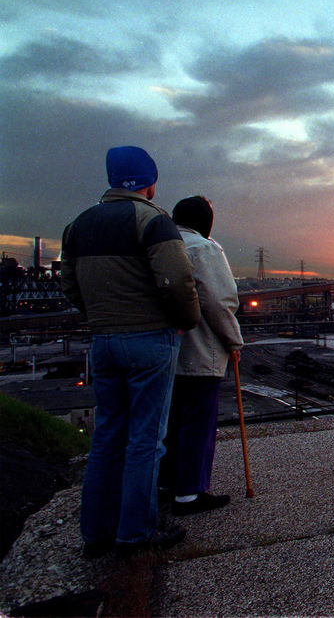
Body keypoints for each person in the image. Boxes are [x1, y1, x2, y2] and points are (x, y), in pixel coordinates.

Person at [61, 145, 200, 557]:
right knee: (146, 439)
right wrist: (186, 320)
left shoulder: (78, 225)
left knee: (106, 436)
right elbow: (177, 280)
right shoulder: (153, 221)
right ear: (149, 183)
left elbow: (69, 283)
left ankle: (96, 533)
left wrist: (97, 316)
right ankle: (135, 532)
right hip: (149, 339)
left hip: (103, 340)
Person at [160, 196, 243, 515]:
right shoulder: (205, 249)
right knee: (197, 424)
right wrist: (234, 342)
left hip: (165, 352)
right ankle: (189, 494)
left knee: (169, 421)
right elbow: (219, 303)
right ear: (206, 222)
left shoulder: (160, 246)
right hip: (200, 351)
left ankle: (166, 484)